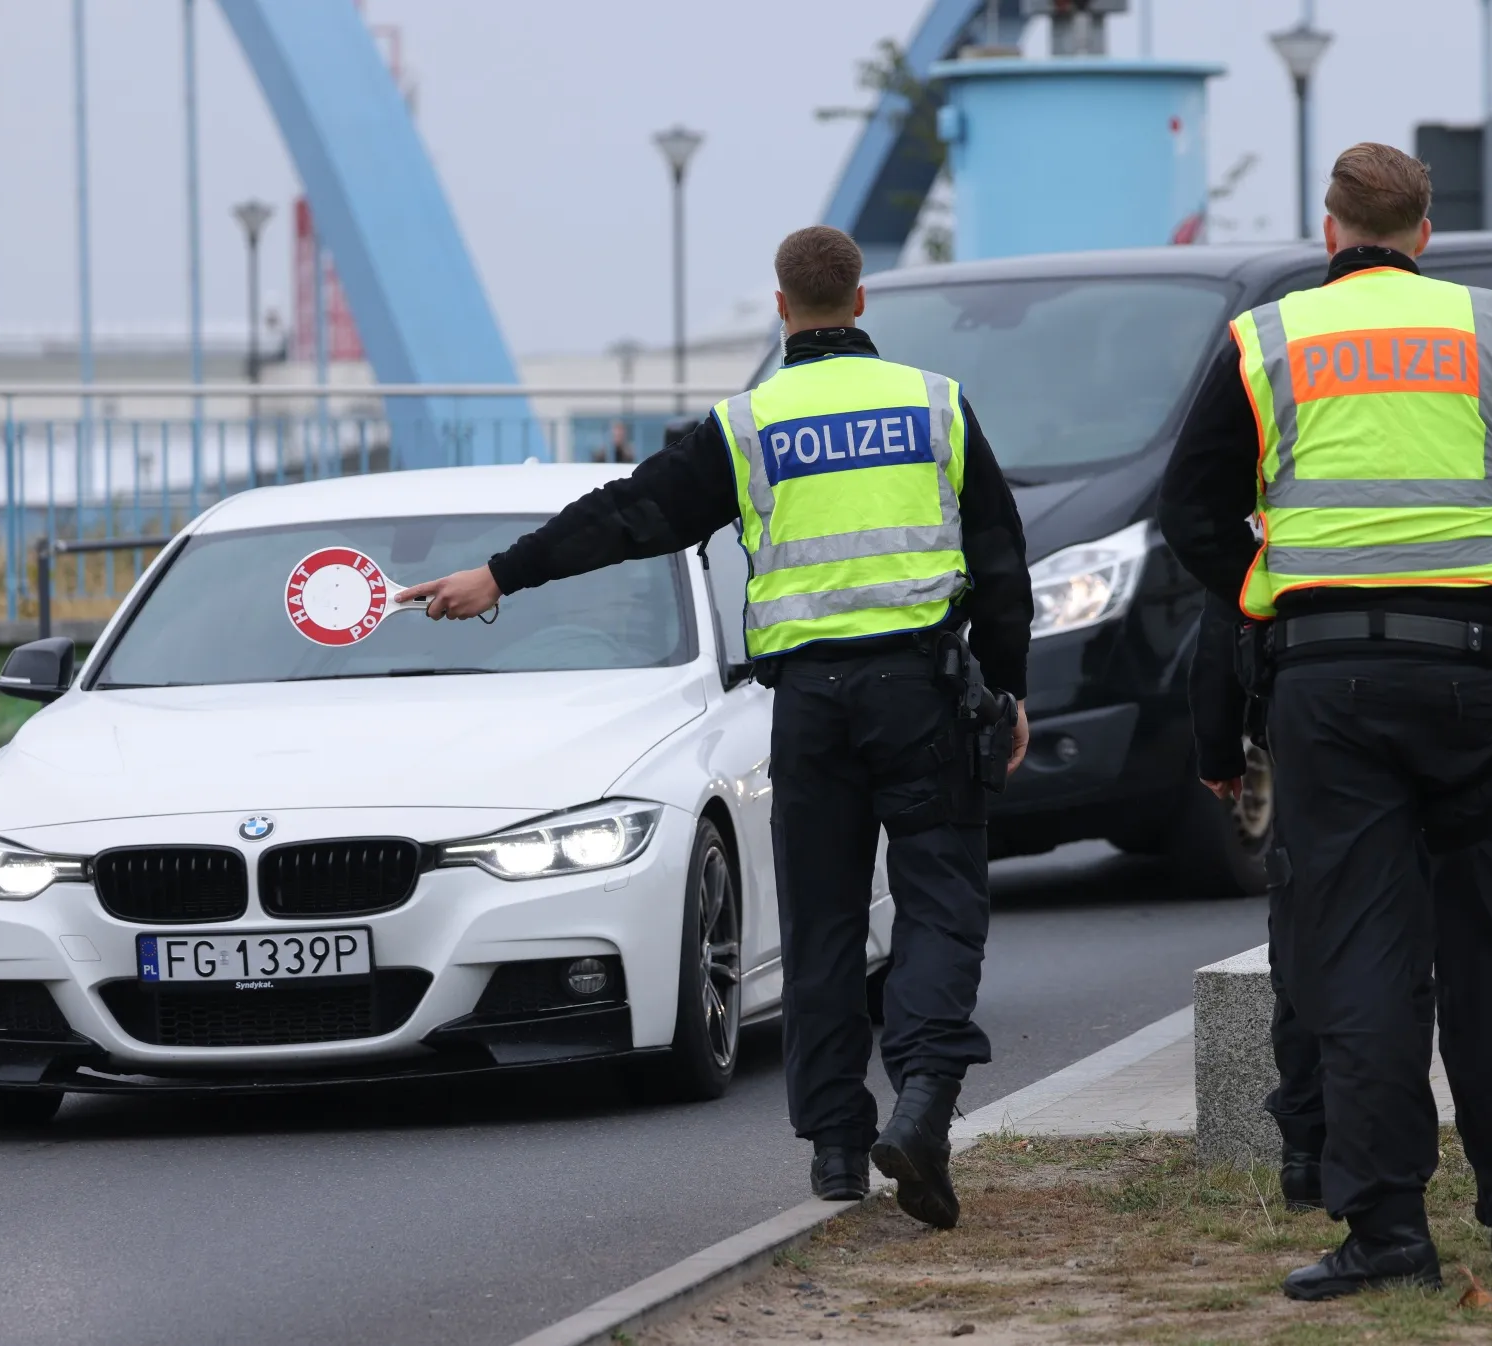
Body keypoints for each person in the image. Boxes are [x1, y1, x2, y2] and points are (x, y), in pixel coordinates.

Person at [400, 225, 1035, 1230]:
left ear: (782, 309)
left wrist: (500, 574)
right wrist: (1007, 689)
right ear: (860, 301)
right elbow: (1001, 562)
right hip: (921, 695)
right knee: (938, 908)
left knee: (823, 924)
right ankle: (922, 1102)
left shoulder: (746, 426)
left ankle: (835, 1148)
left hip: (810, 710)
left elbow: (626, 514)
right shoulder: (935, 404)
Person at [1160, 142, 1492, 1300]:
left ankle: (1388, 1224)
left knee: (1358, 955)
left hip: (1329, 688)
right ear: (1425, 229)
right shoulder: (1489, 330)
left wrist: (1271, 592)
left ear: (1330, 227)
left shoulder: (1269, 340)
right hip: (1470, 678)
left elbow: (1190, 508)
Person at [1189, 598, 1492, 1251]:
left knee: (1344, 945)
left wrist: (1217, 732)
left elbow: (1216, 555)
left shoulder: (1291, 492)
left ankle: (1346, 1185)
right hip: (1472, 675)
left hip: (1326, 682)